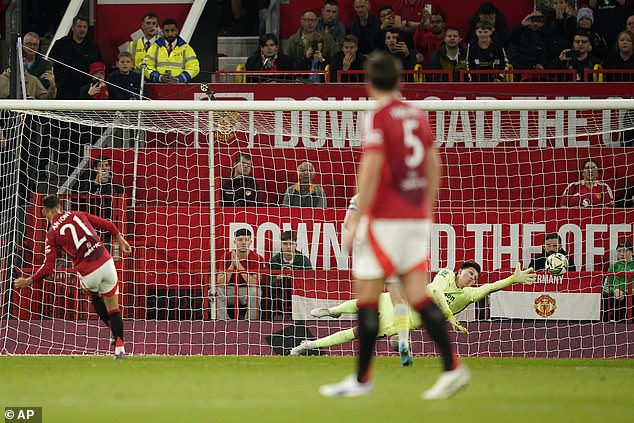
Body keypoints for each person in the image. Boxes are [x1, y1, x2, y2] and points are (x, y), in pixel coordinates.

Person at [319, 52, 467, 400]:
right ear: (401, 80)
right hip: (414, 220)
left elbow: (370, 170)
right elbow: (434, 165)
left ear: (368, 84)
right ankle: (453, 368)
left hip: (384, 221)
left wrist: (354, 218)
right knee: (418, 295)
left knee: (368, 298)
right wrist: (425, 209)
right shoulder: (416, 115)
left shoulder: (380, 117)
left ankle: (362, 379)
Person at [292, 262, 536, 356]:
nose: (472, 277)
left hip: (404, 321)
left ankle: (308, 346)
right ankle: (332, 310)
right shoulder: (444, 275)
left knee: (355, 334)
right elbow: (437, 293)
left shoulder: (470, 294)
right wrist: (450, 316)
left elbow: (490, 288)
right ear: (459, 271)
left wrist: (512, 280)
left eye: (475, 276)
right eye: (469, 272)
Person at [13, 195, 131, 358]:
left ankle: (112, 329)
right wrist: (120, 239)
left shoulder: (52, 234)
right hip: (106, 262)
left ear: (44, 212)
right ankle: (120, 349)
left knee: (94, 296)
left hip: (89, 272)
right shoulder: (78, 214)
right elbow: (108, 225)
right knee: (113, 306)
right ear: (60, 206)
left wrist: (29, 280)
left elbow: (48, 268)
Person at [49, 15, 103, 100]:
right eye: (79, 26)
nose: (82, 30)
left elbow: (99, 68)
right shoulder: (60, 44)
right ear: (73, 27)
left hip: (86, 90)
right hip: (63, 90)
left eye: (85, 27)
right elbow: (50, 63)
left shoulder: (93, 46)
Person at [215, 228, 264, 320]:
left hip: (246, 290)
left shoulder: (257, 258)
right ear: (235, 242)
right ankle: (222, 322)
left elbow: (255, 283)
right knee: (215, 291)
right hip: (230, 290)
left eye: (247, 240)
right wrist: (232, 265)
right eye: (240, 240)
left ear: (251, 242)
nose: (243, 242)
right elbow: (220, 283)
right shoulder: (226, 257)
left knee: (255, 291)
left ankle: (250, 322)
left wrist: (238, 265)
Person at [266, 230, 312, 320]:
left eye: (291, 244)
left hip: (299, 294)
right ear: (281, 245)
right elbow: (270, 282)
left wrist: (296, 279)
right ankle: (271, 319)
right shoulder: (274, 260)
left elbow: (310, 281)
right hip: (279, 293)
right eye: (285, 244)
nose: (288, 247)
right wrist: (278, 278)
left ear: (296, 245)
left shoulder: (303, 260)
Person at [144, 18, 200, 83]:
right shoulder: (154, 48)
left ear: (177, 31)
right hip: (158, 87)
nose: (170, 34)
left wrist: (179, 79)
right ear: (163, 31)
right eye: (167, 31)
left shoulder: (186, 49)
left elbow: (194, 68)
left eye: (172, 30)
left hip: (179, 87)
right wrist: (159, 77)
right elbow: (146, 67)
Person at [602, 241, 634, 322]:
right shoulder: (613, 267)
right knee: (607, 296)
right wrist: (615, 290)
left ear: (632, 252)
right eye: (619, 251)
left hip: (632, 297)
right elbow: (605, 288)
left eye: (625, 251)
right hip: (618, 299)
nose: (622, 254)